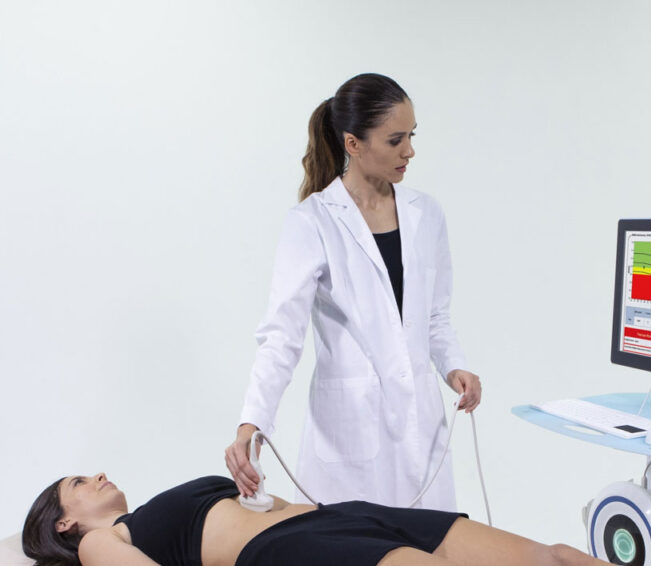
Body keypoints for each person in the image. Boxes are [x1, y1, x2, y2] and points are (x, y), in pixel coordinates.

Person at [225, 73, 481, 511]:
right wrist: (252, 425)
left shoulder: (426, 214)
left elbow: (434, 316)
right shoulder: (312, 222)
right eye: (395, 139)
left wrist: (454, 366)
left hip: (422, 426)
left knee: (433, 541)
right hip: (349, 433)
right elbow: (282, 337)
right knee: (353, 541)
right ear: (353, 144)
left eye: (412, 136)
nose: (409, 150)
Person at [22, 472, 609, 566]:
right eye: (79, 483)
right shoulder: (100, 543)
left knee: (550, 557)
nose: (98, 475)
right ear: (63, 524)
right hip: (289, 549)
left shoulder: (151, 512)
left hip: (342, 516)